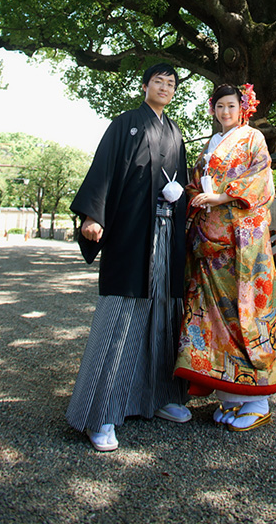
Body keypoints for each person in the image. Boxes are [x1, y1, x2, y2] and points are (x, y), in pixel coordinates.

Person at [66, 63, 190, 452]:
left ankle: (159, 397)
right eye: (159, 82)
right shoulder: (125, 123)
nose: (165, 88)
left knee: (165, 312)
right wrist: (93, 214)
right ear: (145, 85)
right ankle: (98, 413)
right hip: (132, 231)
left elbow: (183, 182)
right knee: (122, 313)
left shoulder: (175, 132)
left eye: (171, 84)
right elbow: (103, 169)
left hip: (167, 235)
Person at [174, 82, 276, 432]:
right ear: (212, 109)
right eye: (220, 106)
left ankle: (256, 400)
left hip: (241, 245)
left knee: (244, 314)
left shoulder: (253, 138)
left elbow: (260, 181)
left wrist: (222, 198)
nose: (226, 112)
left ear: (243, 108)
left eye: (231, 106)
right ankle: (229, 397)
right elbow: (196, 184)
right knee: (212, 317)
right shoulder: (208, 146)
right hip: (207, 245)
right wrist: (193, 195)